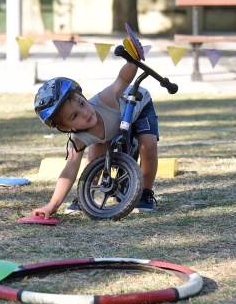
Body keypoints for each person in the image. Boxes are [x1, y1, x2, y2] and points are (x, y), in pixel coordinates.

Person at [32, 61, 161, 218]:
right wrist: (52, 205)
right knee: (95, 158)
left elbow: (122, 79)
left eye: (82, 103)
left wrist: (133, 59)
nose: (85, 113)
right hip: (111, 129)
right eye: (74, 116)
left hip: (139, 106)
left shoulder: (105, 100)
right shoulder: (78, 139)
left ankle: (145, 193)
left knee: (148, 146)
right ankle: (85, 197)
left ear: (82, 96)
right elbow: (69, 170)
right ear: (66, 127)